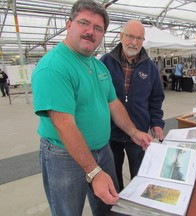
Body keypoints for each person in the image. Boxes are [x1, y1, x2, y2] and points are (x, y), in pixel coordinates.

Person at [31, 1, 152, 216]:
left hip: (102, 150)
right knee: (68, 212)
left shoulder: (97, 65)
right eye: (84, 23)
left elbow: (113, 103)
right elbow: (64, 124)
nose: (90, 31)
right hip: (63, 156)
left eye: (98, 28)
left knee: (109, 208)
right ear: (69, 25)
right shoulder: (54, 66)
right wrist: (94, 172)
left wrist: (134, 132)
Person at [100, 20, 165, 191]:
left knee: (140, 175)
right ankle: (118, 205)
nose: (134, 42)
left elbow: (156, 98)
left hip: (139, 132)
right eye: (130, 36)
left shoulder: (150, 68)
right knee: (113, 176)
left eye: (139, 38)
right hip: (110, 132)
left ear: (143, 41)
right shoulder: (105, 62)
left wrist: (156, 122)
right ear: (121, 37)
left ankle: (136, 204)